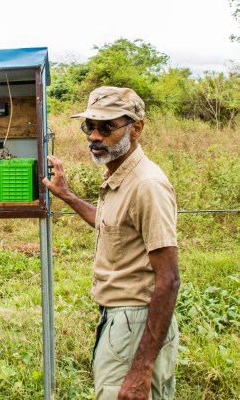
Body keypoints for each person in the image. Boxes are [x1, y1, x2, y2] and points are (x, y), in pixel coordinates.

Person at [42, 87, 180, 400]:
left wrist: (141, 367)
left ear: (137, 128)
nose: (94, 136)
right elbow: (111, 224)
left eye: (106, 127)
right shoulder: (120, 177)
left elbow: (169, 279)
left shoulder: (147, 185)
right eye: (89, 126)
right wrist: (68, 196)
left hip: (137, 320)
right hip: (120, 319)